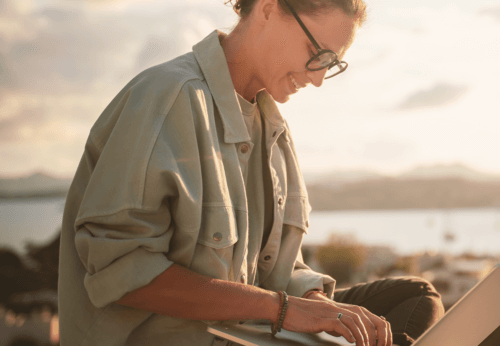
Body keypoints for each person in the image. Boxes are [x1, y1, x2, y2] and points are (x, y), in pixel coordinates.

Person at [57, 0, 444, 345]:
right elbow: (122, 270)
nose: (318, 78)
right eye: (317, 53)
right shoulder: (167, 98)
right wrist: (282, 309)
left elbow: (276, 269)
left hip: (257, 328)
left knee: (414, 296)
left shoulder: (273, 127)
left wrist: (314, 303)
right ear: (268, 8)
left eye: (331, 63)